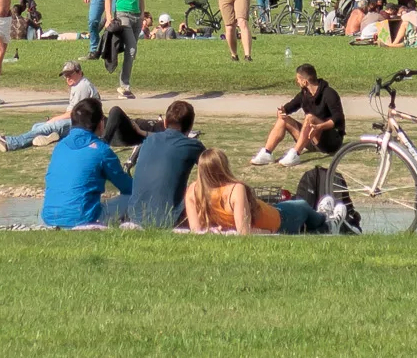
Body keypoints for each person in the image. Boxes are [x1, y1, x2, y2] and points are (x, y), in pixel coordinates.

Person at [182, 146, 327, 234]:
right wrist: (269, 232)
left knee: (292, 205)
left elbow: (196, 231)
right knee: (302, 205)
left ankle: (322, 217)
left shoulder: (193, 191)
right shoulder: (234, 189)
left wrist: (218, 230)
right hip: (279, 220)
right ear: (223, 167)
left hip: (268, 211)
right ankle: (326, 219)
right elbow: (244, 232)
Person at [40, 96, 133, 227]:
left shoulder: (60, 147)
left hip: (50, 218)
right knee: (137, 197)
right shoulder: (101, 151)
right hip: (84, 219)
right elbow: (127, 187)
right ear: (101, 123)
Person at [122, 98, 202, 228]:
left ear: (164, 122)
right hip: (170, 219)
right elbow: (214, 174)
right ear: (191, 126)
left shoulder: (148, 142)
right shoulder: (192, 145)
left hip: (135, 216)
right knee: (198, 189)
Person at [0, 60, 101, 152]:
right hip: (78, 121)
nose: (67, 77)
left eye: (70, 74)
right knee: (37, 126)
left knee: (49, 126)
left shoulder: (82, 86)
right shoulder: (78, 84)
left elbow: (73, 113)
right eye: (65, 75)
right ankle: (51, 137)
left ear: (79, 72)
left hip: (85, 123)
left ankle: (10, 143)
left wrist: (54, 119)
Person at [254, 64, 344, 165]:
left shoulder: (329, 93)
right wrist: (282, 111)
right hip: (311, 139)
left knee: (309, 118)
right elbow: (289, 107)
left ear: (305, 82)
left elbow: (338, 119)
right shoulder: (304, 94)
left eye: (298, 79)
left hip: (331, 142)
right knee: (283, 119)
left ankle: (295, 154)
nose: (297, 81)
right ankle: (267, 153)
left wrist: (320, 126)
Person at [100, 0, 146, 96]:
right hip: (123, 15)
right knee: (131, 50)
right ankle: (124, 86)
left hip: (136, 17)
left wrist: (142, 14)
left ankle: (125, 84)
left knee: (131, 52)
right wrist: (109, 17)